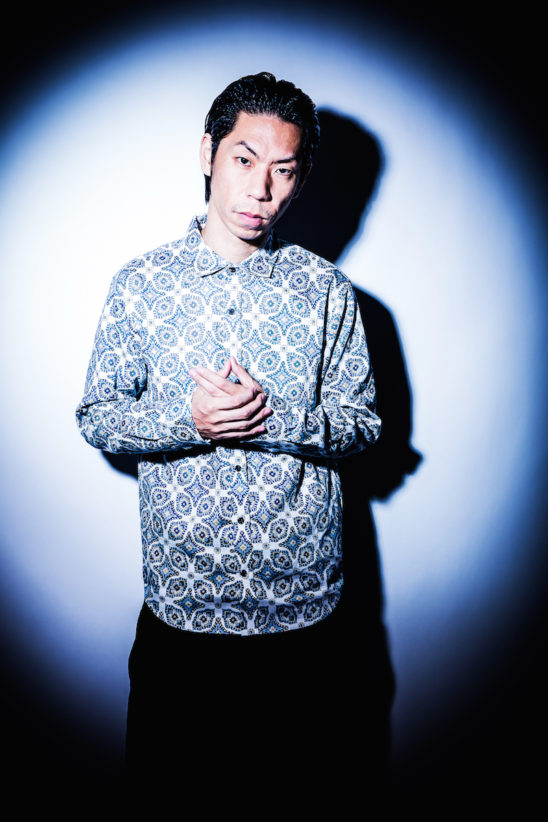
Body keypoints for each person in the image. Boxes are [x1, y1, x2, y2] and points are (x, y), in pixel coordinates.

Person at [76, 72, 381, 810]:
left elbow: (365, 424)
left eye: (284, 170)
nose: (260, 189)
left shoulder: (328, 292)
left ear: (301, 179)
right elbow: (98, 416)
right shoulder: (140, 284)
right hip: (183, 617)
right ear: (208, 153)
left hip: (304, 619)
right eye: (245, 159)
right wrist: (192, 420)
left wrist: (273, 419)